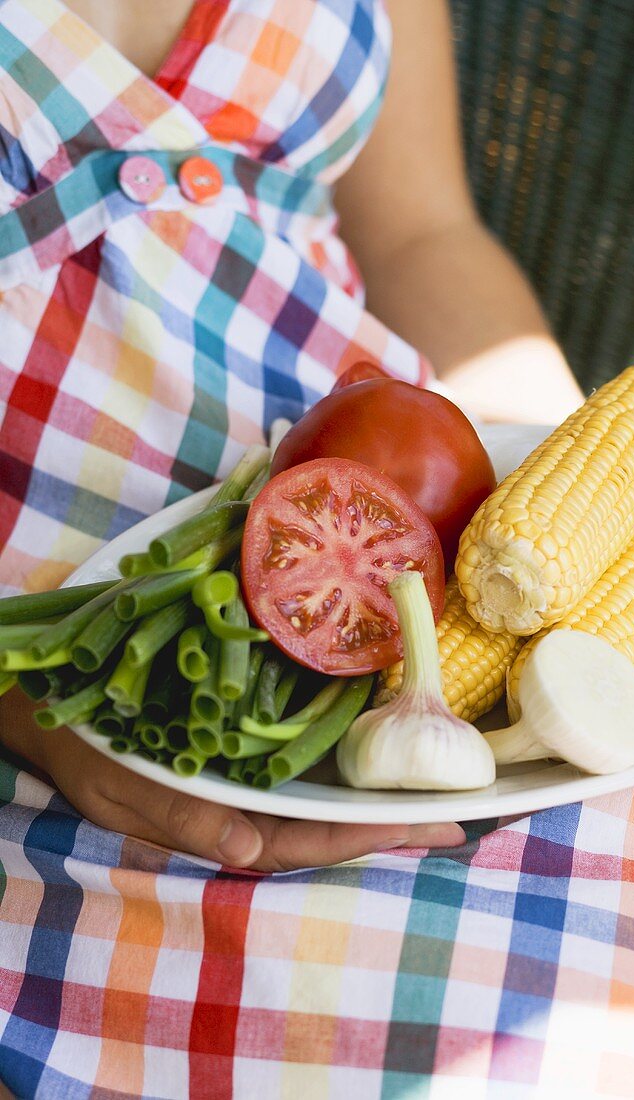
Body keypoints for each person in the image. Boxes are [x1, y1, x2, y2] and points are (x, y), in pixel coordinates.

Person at [0, 0, 583, 877]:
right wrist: (21, 705)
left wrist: (577, 492)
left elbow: (423, 236)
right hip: (75, 699)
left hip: (408, 601)